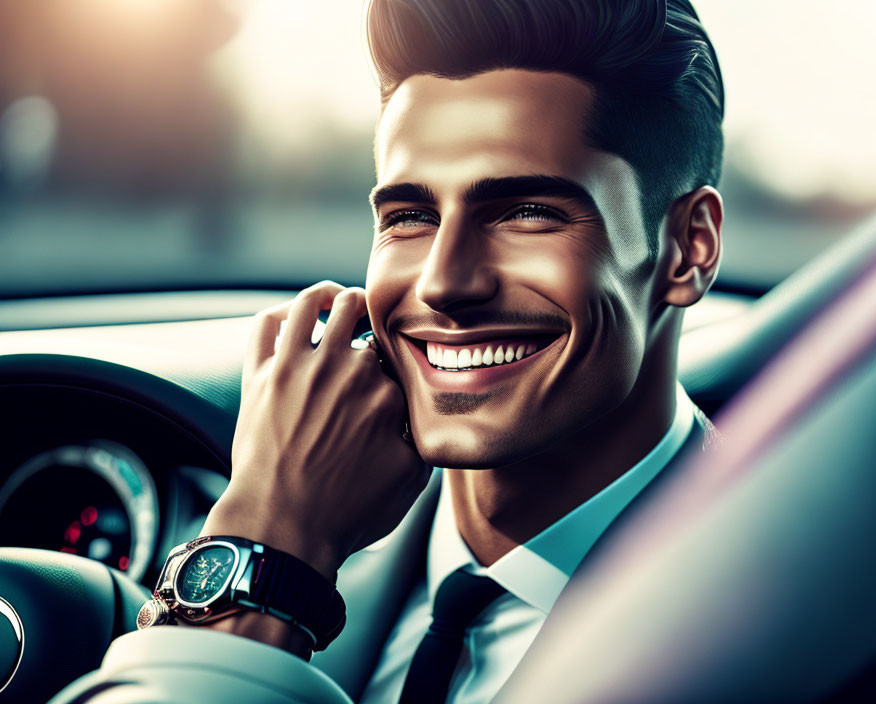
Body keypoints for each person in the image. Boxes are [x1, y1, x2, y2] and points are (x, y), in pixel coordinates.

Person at [51, 0, 724, 702]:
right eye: (411, 216)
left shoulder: (781, 612)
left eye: (527, 213)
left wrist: (266, 544)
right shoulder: (333, 530)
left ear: (688, 247)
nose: (442, 282)